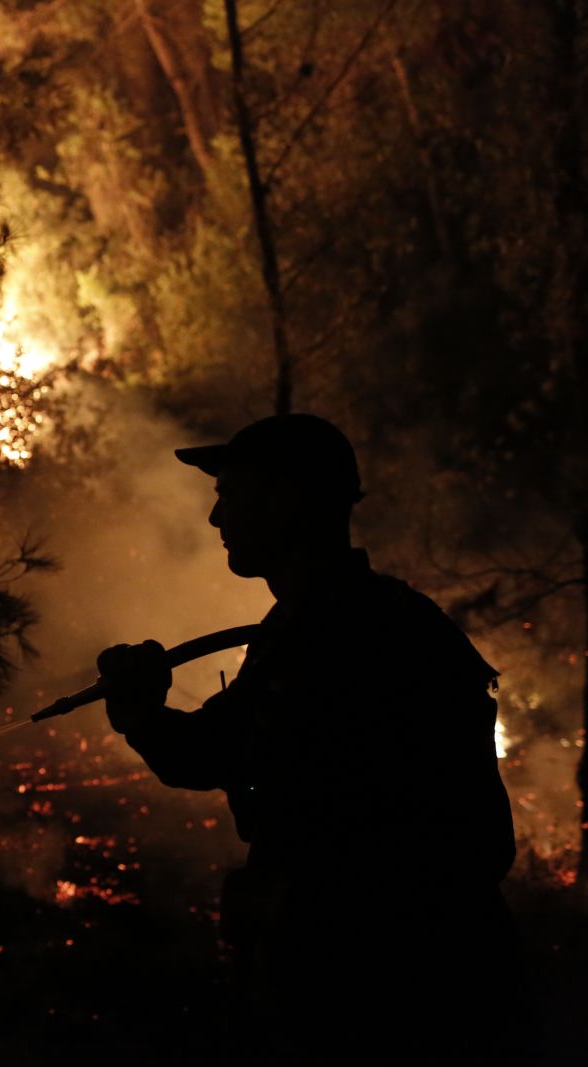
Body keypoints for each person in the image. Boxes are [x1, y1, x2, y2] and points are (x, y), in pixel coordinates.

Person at [97, 413, 518, 1063]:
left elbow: (309, 790)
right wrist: (143, 714)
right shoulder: (302, 628)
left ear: (285, 500)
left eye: (230, 495)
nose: (215, 519)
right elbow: (222, 748)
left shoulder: (366, 635)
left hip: (392, 989)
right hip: (344, 972)